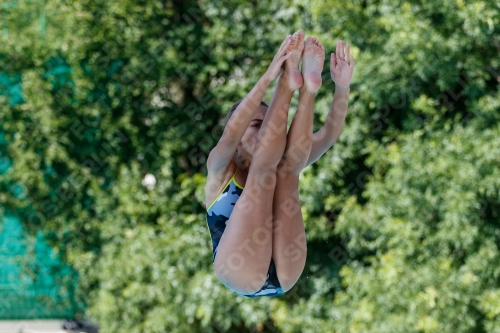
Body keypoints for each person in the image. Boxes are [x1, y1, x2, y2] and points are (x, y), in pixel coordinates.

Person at [205, 30, 355, 297]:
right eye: (255, 126)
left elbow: (330, 134)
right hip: (241, 269)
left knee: (287, 169)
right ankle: (287, 81)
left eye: (267, 126)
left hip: (285, 270)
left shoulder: (281, 156)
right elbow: (229, 134)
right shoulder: (220, 167)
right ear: (238, 139)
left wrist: (342, 86)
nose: (264, 133)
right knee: (264, 174)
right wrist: (270, 75)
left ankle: (308, 90)